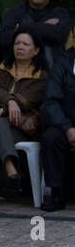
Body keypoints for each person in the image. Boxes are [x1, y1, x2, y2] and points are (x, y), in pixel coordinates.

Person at [0, 30, 46, 205]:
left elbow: (31, 99)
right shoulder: (1, 68)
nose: (20, 47)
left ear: (36, 50)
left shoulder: (41, 76)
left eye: (25, 44)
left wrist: (1, 109)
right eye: (17, 43)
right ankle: (10, 167)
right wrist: (10, 103)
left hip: (22, 127)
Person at [0, 0, 70, 70]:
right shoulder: (12, 13)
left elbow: (58, 36)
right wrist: (44, 27)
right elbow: (5, 39)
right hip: (17, 73)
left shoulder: (60, 13)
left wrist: (21, 28)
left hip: (51, 75)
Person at [41, 44, 75, 211]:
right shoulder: (62, 62)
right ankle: (57, 193)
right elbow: (52, 100)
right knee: (51, 137)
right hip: (65, 123)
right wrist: (67, 128)